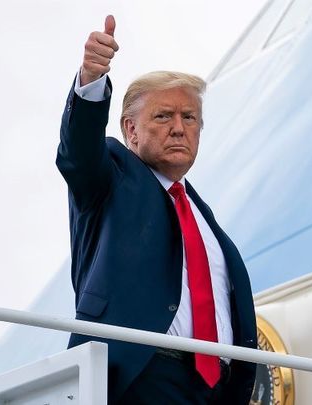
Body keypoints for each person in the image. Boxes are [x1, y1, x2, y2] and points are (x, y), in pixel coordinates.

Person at [56, 14, 257, 404]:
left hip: (217, 388)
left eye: (190, 118)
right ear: (130, 130)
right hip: (141, 374)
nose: (179, 128)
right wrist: (91, 80)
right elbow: (78, 155)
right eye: (163, 116)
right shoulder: (112, 177)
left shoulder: (204, 220)